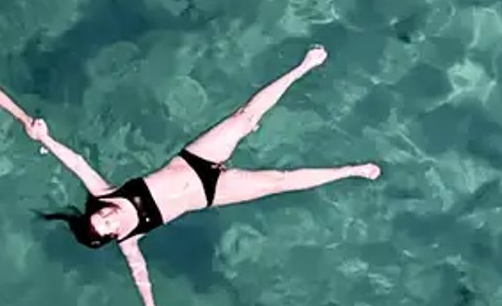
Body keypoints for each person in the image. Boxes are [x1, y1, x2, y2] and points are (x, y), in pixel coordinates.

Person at [31, 48, 379, 248]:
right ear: (110, 236)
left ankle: (302, 67)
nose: (109, 216)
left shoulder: (107, 192)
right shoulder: (129, 239)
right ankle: (353, 170)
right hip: (213, 193)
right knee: (279, 181)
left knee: (245, 117)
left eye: (101, 213)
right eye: (106, 224)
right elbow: (140, 279)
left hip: (196, 159)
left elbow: (76, 163)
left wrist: (45, 137)